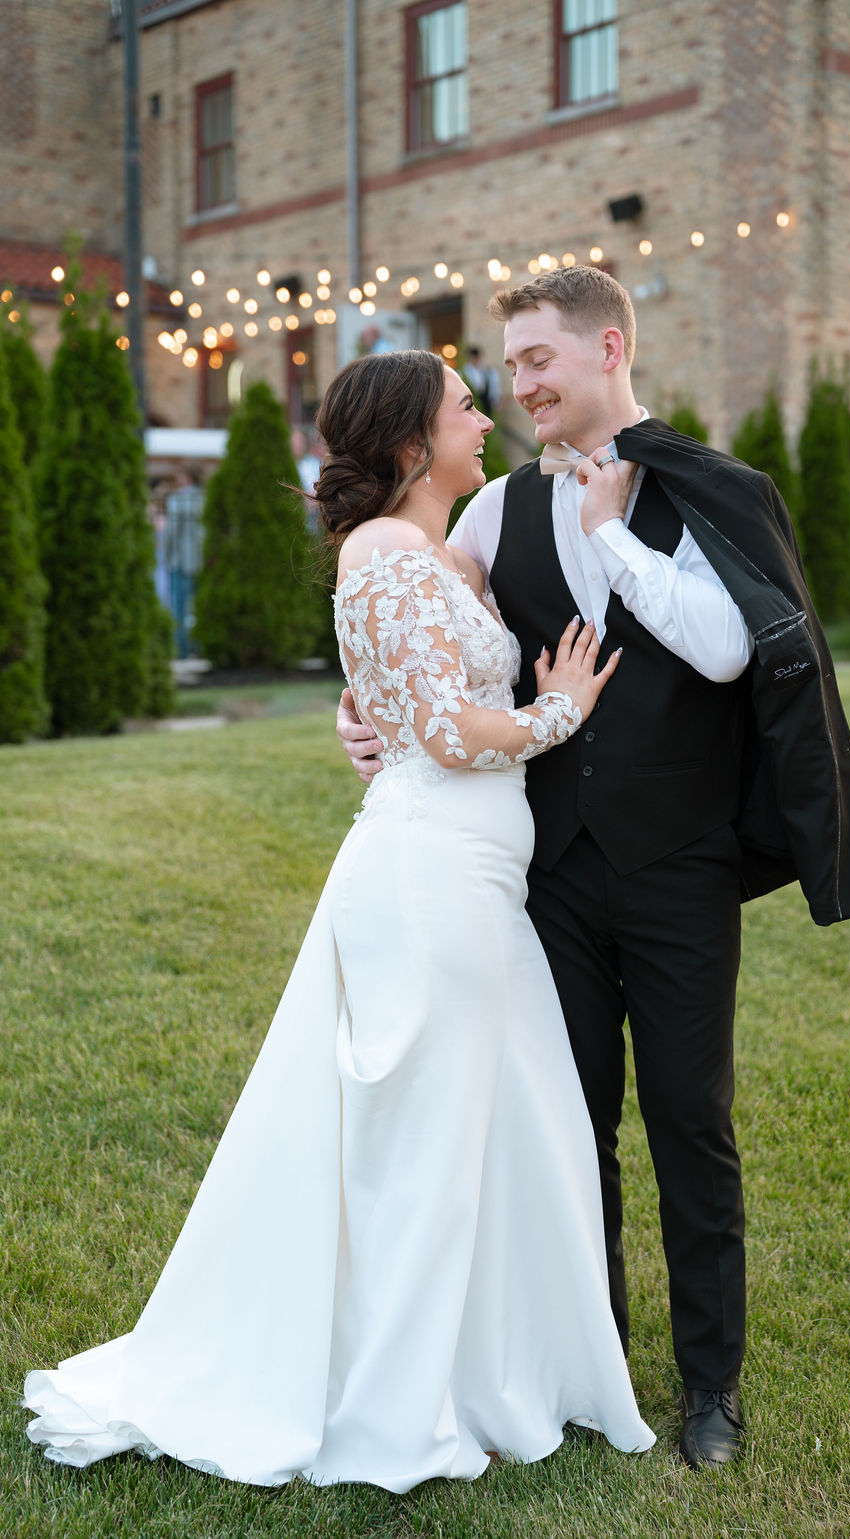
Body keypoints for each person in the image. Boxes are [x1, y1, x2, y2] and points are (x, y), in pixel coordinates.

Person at [23, 349, 655, 1493]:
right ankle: (395, 1395)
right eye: (465, 407)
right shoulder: (385, 556)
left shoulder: (427, 553)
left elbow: (397, 700)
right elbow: (449, 734)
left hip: (472, 881)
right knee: (425, 1141)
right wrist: (554, 710)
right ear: (415, 444)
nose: (483, 419)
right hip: (429, 886)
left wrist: (380, 708)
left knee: (492, 1124)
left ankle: (488, 1368)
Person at [338, 267, 850, 1469]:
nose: (517, 385)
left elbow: (734, 650)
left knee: (692, 1122)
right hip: (552, 880)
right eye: (509, 367)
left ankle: (709, 1391)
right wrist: (357, 708)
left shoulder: (709, 489)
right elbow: (425, 629)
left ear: (606, 349)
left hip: (681, 868)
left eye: (537, 361)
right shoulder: (488, 514)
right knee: (570, 1125)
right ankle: (591, 1366)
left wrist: (612, 535)